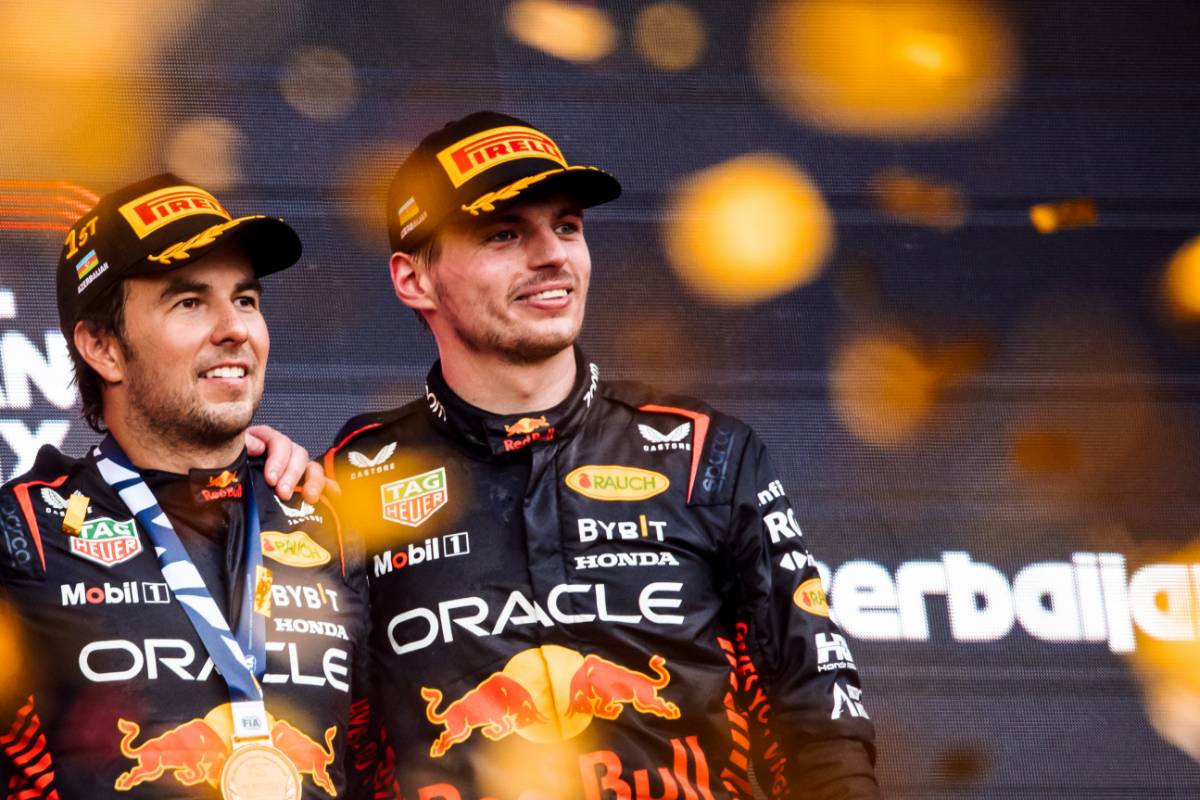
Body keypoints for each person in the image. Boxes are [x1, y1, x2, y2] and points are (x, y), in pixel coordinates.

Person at [325, 113, 878, 799]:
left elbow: (817, 713)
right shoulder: (348, 480)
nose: (553, 254)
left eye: (567, 225)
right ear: (414, 280)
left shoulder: (705, 452)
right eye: (504, 233)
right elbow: (318, 743)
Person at [0, 174, 367, 798]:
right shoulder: (25, 535)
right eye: (189, 303)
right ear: (103, 347)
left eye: (246, 300)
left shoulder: (325, 519)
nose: (235, 329)